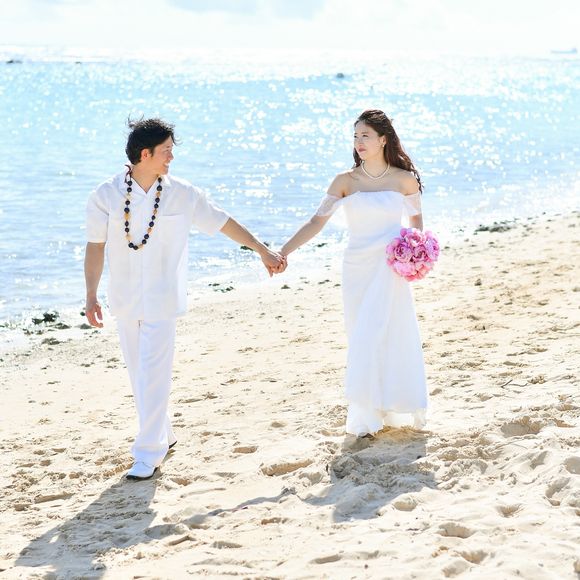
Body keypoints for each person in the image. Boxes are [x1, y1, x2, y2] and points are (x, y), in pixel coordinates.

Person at [84, 118, 284, 480]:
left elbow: (222, 222)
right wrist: (90, 295)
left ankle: (149, 453)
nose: (171, 158)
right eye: (166, 151)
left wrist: (261, 249)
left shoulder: (182, 193)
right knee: (139, 374)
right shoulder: (106, 195)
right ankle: (164, 431)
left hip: (162, 299)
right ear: (145, 154)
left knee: (154, 372)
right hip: (124, 299)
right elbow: (95, 247)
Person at [278, 109, 428, 436]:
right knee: (362, 336)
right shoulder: (345, 181)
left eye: (366, 136)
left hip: (390, 268)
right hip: (357, 268)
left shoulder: (404, 179)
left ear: (383, 140)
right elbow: (316, 221)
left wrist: (416, 252)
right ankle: (367, 413)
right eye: (356, 136)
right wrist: (284, 251)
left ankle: (392, 406)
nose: (359, 142)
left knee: (391, 333)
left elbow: (416, 223)